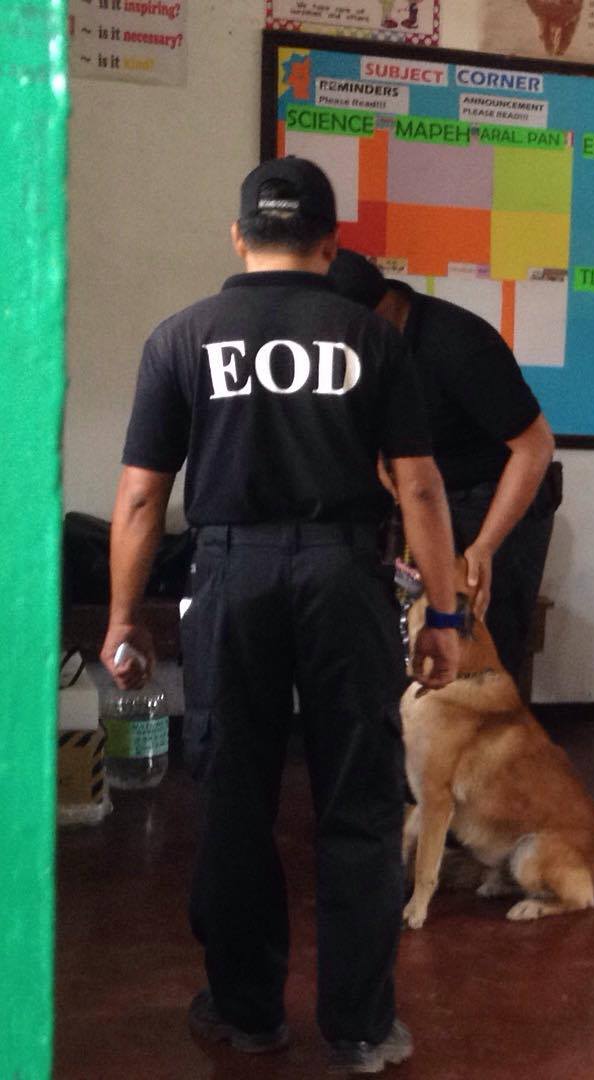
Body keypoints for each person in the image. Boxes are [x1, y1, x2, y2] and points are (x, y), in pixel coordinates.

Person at [99, 157, 463, 1075]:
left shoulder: (181, 337)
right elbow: (417, 483)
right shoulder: (374, 339)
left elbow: (142, 500)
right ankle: (360, 1026)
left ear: (237, 238)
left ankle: (247, 1008)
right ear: (332, 244)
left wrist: (122, 618)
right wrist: (446, 617)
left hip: (231, 577)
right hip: (347, 578)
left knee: (232, 798)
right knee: (362, 803)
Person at [328, 250, 557, 682]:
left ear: (376, 312)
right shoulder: (368, 349)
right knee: (409, 649)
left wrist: (484, 547)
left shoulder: (457, 343)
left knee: (482, 658)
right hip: (428, 499)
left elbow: (536, 447)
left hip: (494, 501)